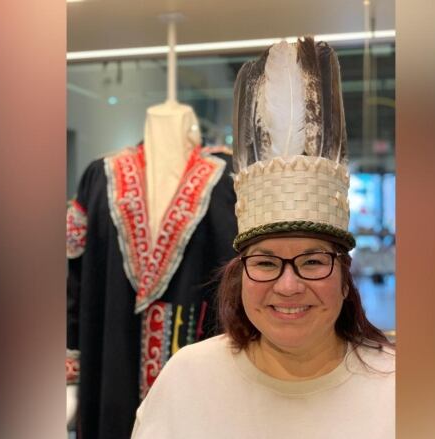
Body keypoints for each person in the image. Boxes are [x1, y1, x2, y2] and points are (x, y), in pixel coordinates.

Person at [131, 37, 395, 439]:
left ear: (344, 277)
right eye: (267, 263)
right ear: (241, 275)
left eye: (312, 261)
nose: (288, 286)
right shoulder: (187, 380)